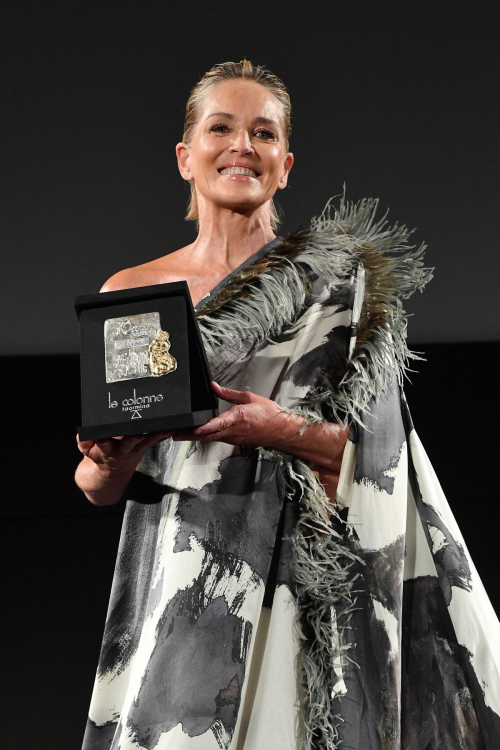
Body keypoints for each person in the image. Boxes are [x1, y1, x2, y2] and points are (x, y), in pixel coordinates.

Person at [76, 61, 500, 750]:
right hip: (185, 580)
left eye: (263, 133)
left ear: (285, 163)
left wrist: (282, 431)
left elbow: (383, 462)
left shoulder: (339, 286)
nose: (242, 145)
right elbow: (99, 486)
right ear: (187, 156)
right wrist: (107, 461)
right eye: (222, 127)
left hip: (305, 585)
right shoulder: (131, 294)